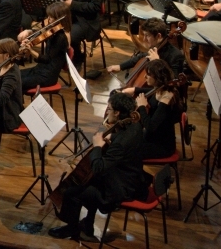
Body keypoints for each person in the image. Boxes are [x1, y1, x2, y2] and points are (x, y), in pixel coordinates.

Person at [48, 91, 147, 242]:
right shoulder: (135, 125)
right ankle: (88, 224)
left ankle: (72, 229)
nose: (107, 111)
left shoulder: (120, 143)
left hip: (119, 189)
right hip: (132, 179)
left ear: (118, 112)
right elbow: (123, 143)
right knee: (88, 182)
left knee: (71, 192)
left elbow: (98, 167)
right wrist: (111, 137)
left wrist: (97, 147)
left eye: (109, 108)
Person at [106, 17, 185, 78]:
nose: (144, 39)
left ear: (158, 36)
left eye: (147, 35)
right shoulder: (154, 47)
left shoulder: (176, 55)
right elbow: (140, 57)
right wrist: (120, 66)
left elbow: (173, 80)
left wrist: (157, 62)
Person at [18, 2, 72, 91]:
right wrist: (30, 34)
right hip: (40, 69)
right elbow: (42, 32)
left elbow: (47, 59)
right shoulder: (54, 32)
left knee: (16, 83)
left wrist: (30, 50)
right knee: (12, 77)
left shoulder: (61, 38)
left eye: (51, 17)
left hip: (47, 76)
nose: (48, 19)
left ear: (59, 18)